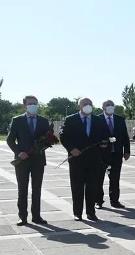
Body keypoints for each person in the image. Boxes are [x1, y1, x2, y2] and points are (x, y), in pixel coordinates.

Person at [59, 97, 109, 221]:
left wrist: (105, 143)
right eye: (85, 104)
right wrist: (71, 149)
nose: (88, 105)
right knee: (77, 187)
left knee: (92, 186)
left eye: (90, 104)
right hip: (77, 159)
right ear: (79, 106)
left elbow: (105, 135)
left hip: (94, 159)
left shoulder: (98, 120)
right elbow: (63, 136)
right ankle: (77, 212)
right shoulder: (70, 119)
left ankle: (91, 212)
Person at [7, 95, 51, 225]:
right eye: (30, 103)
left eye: (35, 103)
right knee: (22, 189)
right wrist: (19, 152)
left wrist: (42, 146)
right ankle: (23, 216)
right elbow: (10, 140)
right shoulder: (17, 120)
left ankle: (36, 216)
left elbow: (47, 140)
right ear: (24, 105)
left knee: (37, 189)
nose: (33, 106)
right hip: (22, 160)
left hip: (38, 160)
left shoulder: (44, 121)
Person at [96, 100, 130, 209]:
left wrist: (127, 151)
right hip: (101, 154)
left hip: (116, 153)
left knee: (115, 179)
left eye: (112, 105)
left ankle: (115, 201)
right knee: (99, 178)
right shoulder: (97, 119)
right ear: (103, 107)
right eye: (107, 105)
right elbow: (94, 136)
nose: (110, 107)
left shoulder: (119, 119)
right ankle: (98, 201)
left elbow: (125, 136)